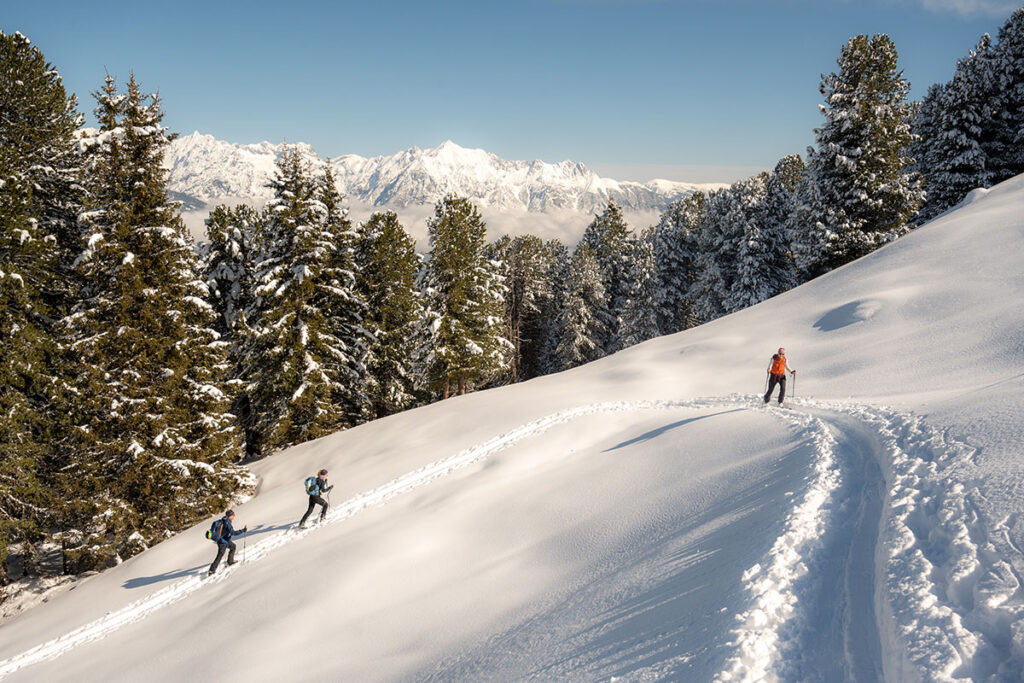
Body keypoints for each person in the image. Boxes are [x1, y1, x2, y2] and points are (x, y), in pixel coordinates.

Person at [209, 509, 246, 575]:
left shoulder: (224, 520)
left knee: (233, 546)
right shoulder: (227, 522)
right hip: (222, 541)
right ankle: (212, 570)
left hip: (224, 540)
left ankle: (230, 561)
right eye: (233, 515)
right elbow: (233, 533)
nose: (234, 516)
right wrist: (242, 530)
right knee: (220, 555)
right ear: (230, 516)